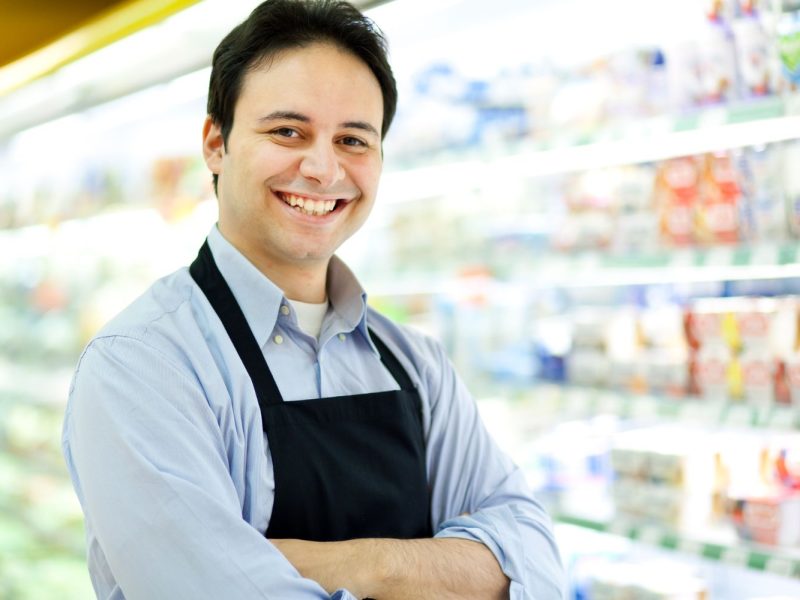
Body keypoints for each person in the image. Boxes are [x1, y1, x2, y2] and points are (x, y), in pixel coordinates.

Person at [61, 0, 566, 598]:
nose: (324, 169)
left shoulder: (416, 363)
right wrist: (448, 569)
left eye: (354, 140)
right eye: (287, 131)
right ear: (216, 143)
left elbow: (536, 563)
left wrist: (370, 567)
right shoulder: (143, 366)